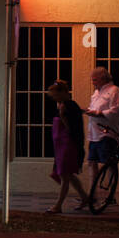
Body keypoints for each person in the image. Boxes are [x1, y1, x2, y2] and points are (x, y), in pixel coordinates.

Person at [43, 80, 88, 213]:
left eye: (55, 96)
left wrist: (62, 116)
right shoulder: (62, 105)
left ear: (63, 93)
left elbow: (71, 129)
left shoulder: (70, 106)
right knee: (67, 175)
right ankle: (85, 197)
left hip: (68, 145)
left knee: (64, 175)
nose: (54, 99)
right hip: (61, 145)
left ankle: (58, 205)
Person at [83, 65, 119, 206]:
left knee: (109, 164)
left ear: (103, 78)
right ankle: (92, 194)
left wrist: (98, 113)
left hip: (107, 134)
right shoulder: (96, 93)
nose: (93, 82)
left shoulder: (114, 91)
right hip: (94, 134)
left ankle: (110, 194)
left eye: (95, 79)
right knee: (92, 163)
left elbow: (115, 112)